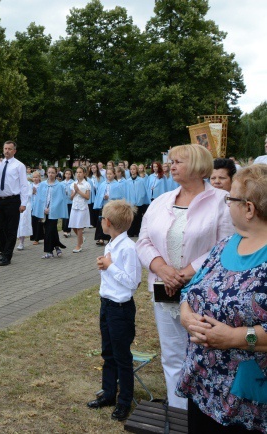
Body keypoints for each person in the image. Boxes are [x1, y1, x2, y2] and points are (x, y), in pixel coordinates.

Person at [136, 144, 234, 409]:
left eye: (178, 161)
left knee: (206, 354)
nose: (171, 166)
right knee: (172, 355)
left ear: (197, 165)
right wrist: (162, 269)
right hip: (164, 290)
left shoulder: (222, 202)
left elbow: (225, 244)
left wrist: (186, 273)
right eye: (171, 161)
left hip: (203, 293)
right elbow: (143, 240)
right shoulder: (161, 201)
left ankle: (207, 412)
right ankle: (178, 412)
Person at [176, 164, 267, 432]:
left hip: (246, 403)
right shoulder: (224, 246)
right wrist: (185, 315)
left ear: (249, 208)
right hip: (203, 389)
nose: (227, 205)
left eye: (231, 198)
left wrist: (235, 338)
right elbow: (189, 290)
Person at [87, 200, 142, 422]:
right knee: (108, 353)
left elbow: (132, 282)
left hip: (121, 309)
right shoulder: (111, 244)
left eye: (102, 218)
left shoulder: (128, 248)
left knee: (122, 357)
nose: (101, 221)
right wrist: (105, 264)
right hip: (107, 305)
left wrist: (109, 266)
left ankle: (124, 402)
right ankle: (108, 393)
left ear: (107, 222)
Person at [0, 141, 29, 266]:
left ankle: (7, 255)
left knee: (11, 229)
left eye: (10, 149)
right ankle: (4, 249)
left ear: (14, 151)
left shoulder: (19, 165)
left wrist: (24, 203)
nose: (7, 151)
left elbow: (24, 185)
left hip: (13, 200)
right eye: (5, 148)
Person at [34, 166, 67, 258]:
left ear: (56, 173)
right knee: (51, 230)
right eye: (49, 172)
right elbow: (39, 198)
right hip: (44, 211)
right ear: (46, 173)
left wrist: (51, 209)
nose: (51, 174)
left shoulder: (60, 185)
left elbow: (60, 200)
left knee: (49, 230)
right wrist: (42, 209)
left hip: (54, 212)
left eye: (53, 172)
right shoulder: (43, 184)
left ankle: (49, 251)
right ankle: (57, 246)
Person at [68, 166, 91, 253]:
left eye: (80, 172)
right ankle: (81, 238)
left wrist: (79, 191)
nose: (78, 174)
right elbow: (71, 197)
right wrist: (75, 192)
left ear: (84, 173)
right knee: (73, 225)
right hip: (75, 206)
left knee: (79, 227)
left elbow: (87, 197)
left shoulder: (87, 184)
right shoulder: (73, 184)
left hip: (82, 207)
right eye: (77, 172)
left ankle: (79, 245)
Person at [124, 164, 150, 237]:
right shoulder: (127, 181)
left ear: (137, 170)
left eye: (134, 169)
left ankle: (138, 232)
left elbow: (143, 192)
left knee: (138, 218)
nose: (132, 171)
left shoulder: (141, 180)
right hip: (131, 203)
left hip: (139, 203)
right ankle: (131, 232)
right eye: (131, 169)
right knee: (132, 218)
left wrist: (140, 200)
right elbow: (126, 192)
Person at [93, 168, 116, 246]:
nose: (109, 175)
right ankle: (100, 238)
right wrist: (103, 196)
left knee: (111, 222)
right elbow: (99, 194)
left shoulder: (117, 184)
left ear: (114, 174)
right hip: (104, 205)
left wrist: (110, 197)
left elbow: (119, 195)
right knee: (101, 221)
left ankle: (111, 237)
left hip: (112, 206)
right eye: (107, 174)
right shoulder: (103, 184)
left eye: (110, 174)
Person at [30, 171, 45, 245]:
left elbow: (43, 196)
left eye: (37, 177)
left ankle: (37, 238)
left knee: (39, 222)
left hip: (39, 206)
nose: (35, 179)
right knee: (33, 222)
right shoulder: (30, 185)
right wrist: (31, 192)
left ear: (39, 178)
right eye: (34, 177)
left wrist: (36, 193)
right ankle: (34, 237)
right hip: (32, 206)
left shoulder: (42, 185)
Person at [61, 169, 75, 237]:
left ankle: (68, 230)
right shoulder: (61, 183)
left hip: (70, 201)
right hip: (64, 202)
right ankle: (64, 230)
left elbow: (74, 191)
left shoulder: (73, 182)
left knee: (69, 216)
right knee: (64, 216)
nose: (68, 175)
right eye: (66, 173)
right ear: (64, 174)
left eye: (69, 174)